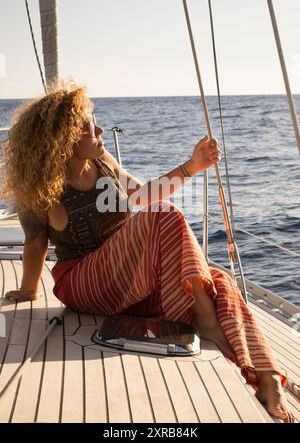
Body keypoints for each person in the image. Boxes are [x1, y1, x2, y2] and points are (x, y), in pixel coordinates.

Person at [2, 80, 294, 423]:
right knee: (166, 217)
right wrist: (28, 289)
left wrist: (191, 166)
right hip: (83, 282)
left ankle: (265, 374)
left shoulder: (102, 162)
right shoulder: (39, 189)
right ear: (64, 138)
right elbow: (36, 244)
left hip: (127, 277)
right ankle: (206, 320)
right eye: (87, 125)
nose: (99, 129)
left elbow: (143, 195)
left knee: (221, 282)